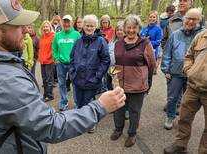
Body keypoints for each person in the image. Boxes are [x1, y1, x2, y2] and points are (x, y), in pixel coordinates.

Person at [0, 1, 126, 153]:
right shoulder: (4, 80)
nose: (26, 30)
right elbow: (51, 126)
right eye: (18, 25)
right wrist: (100, 107)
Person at [110, 15, 156, 147]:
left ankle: (132, 133)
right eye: (128, 27)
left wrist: (147, 83)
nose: (131, 30)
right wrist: (113, 80)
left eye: (134, 27)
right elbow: (113, 64)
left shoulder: (145, 44)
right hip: (120, 84)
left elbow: (152, 65)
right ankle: (118, 129)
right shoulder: (118, 44)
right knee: (118, 108)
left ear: (138, 28)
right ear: (124, 28)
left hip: (137, 86)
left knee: (134, 111)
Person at [163, 29, 207, 154]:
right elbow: (189, 55)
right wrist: (189, 71)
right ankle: (180, 144)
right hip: (192, 87)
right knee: (184, 118)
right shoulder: (202, 36)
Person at [161, 8, 203, 130]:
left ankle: (184, 120)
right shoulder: (175, 34)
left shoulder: (202, 36)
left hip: (193, 74)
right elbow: (167, 53)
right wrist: (166, 69)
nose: (190, 21)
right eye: (188, 18)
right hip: (176, 72)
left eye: (194, 19)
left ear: (199, 20)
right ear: (184, 19)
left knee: (189, 100)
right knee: (172, 96)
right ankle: (170, 116)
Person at [69, 14, 110, 111]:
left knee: (88, 105)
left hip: (92, 81)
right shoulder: (78, 41)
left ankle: (89, 124)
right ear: (83, 26)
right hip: (77, 80)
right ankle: (81, 124)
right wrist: (72, 73)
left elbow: (106, 60)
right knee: (79, 103)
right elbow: (72, 58)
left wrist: (97, 76)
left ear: (95, 27)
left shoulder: (101, 41)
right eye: (87, 25)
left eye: (92, 26)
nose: (89, 28)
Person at [52, 15, 81, 111]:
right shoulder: (58, 35)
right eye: (64, 22)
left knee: (75, 83)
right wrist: (56, 58)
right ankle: (64, 101)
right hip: (60, 63)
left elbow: (80, 49)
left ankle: (77, 102)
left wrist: (78, 61)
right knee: (61, 83)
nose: (66, 24)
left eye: (68, 22)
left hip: (73, 64)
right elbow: (54, 48)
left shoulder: (77, 35)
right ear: (62, 23)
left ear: (71, 23)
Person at [38, 20, 55, 102]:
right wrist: (40, 57)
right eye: (44, 27)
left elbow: (53, 49)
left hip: (49, 61)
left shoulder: (53, 36)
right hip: (42, 61)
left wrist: (48, 57)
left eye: (46, 26)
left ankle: (50, 95)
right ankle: (45, 94)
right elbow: (40, 49)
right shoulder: (42, 37)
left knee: (49, 79)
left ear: (50, 27)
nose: (45, 28)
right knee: (44, 79)